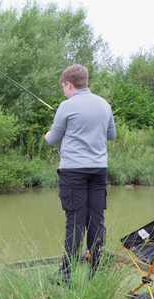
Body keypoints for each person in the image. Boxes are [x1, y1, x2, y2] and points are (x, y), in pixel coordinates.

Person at [44, 64, 116, 283]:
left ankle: (65, 275)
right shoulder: (104, 104)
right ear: (85, 81)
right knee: (96, 221)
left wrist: (47, 134)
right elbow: (111, 135)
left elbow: (52, 139)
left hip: (73, 171)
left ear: (68, 84)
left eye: (63, 87)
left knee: (75, 221)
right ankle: (95, 274)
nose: (63, 91)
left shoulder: (66, 106)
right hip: (98, 170)